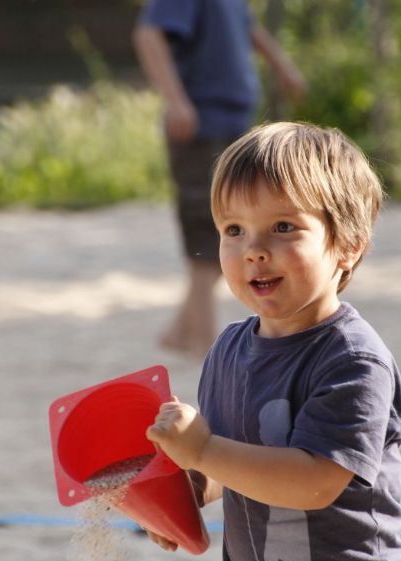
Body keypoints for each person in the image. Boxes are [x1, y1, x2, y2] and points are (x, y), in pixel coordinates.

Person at [146, 122, 401, 561]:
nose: (254, 249)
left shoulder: (352, 360)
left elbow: (315, 481)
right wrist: (189, 487)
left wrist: (203, 450)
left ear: (348, 245)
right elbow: (241, 459)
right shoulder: (227, 351)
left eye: (283, 227)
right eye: (234, 230)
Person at [133, 0, 306, 360]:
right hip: (200, 127)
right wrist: (176, 101)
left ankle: (180, 330)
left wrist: (284, 66)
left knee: (237, 229)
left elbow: (248, 27)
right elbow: (148, 35)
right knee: (211, 238)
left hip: (233, 123)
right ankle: (204, 345)